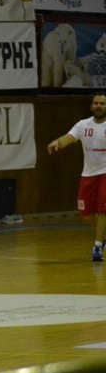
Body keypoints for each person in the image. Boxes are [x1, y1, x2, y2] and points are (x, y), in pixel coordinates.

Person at [48, 92, 106, 261]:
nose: (99, 106)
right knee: (85, 212)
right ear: (91, 106)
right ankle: (103, 236)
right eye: (96, 103)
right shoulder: (83, 125)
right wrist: (58, 142)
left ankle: (97, 247)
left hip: (105, 174)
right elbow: (69, 137)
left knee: (102, 211)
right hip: (88, 174)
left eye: (102, 103)